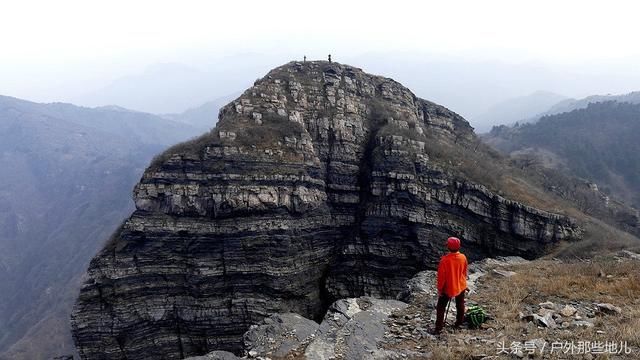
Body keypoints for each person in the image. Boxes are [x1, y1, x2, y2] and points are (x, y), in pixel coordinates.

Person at [432, 236, 468, 334]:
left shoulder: (444, 260)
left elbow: (441, 278)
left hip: (448, 288)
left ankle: (438, 328)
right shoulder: (463, 257)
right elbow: (464, 272)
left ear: (448, 247)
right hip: (461, 285)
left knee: (441, 307)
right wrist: (464, 283)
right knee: (460, 304)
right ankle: (459, 322)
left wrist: (440, 290)